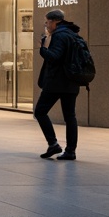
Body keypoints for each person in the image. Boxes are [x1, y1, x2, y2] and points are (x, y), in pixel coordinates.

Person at [34, 9, 81, 161]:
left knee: (40, 111)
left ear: (55, 21)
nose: (46, 25)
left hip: (56, 83)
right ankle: (70, 151)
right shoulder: (73, 34)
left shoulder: (59, 36)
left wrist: (42, 48)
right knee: (70, 117)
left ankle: (53, 143)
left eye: (47, 22)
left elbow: (54, 57)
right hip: (71, 82)